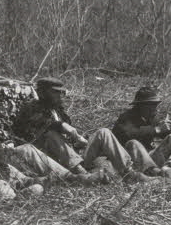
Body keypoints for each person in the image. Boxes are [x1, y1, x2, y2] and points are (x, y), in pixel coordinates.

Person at [12, 78, 150, 183]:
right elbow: (36, 127)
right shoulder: (30, 109)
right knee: (51, 134)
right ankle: (84, 175)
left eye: (61, 92)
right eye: (55, 92)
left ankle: (129, 172)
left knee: (103, 132)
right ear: (42, 92)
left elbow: (70, 136)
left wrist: (79, 140)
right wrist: (60, 126)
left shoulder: (59, 110)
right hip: (50, 158)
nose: (60, 96)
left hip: (73, 156)